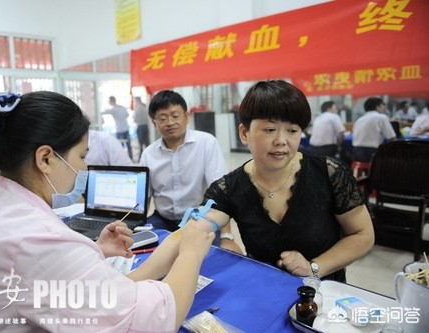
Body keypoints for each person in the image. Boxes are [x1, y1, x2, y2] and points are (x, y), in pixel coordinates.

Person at [0, 91, 214, 332]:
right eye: (82, 156)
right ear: (45, 159)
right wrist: (191, 253)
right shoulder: (35, 237)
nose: (84, 169)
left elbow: (59, 280)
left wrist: (93, 251)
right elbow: (155, 318)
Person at [183, 80, 374, 282]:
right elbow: (192, 230)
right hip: (264, 292)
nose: (281, 140)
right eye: (269, 130)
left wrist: (314, 267)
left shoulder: (329, 172)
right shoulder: (229, 188)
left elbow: (362, 234)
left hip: (324, 294)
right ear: (244, 133)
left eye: (292, 131)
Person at [140, 90, 239, 250]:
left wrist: (227, 236)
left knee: (209, 257)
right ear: (154, 123)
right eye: (162, 118)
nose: (170, 122)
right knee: (141, 250)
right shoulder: (148, 154)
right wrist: (135, 224)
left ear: (186, 117)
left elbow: (221, 191)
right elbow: (146, 197)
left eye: (175, 115)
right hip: (163, 220)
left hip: (200, 219)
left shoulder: (206, 143)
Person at [352, 97, 397, 163]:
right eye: (382, 105)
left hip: (356, 153)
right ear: (377, 106)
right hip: (371, 153)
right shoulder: (381, 117)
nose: (384, 107)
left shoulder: (359, 120)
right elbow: (391, 137)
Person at [102, 96, 133, 161]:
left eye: (109, 101)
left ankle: (122, 160)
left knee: (120, 147)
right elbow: (127, 115)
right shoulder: (121, 107)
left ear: (112, 101)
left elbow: (103, 112)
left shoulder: (113, 109)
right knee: (128, 145)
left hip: (119, 130)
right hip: (126, 128)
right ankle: (130, 159)